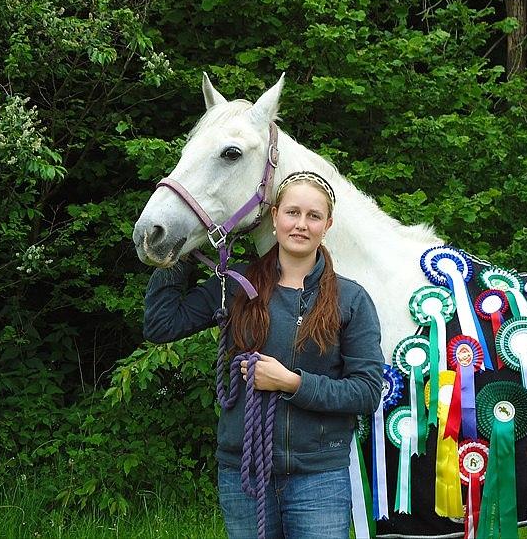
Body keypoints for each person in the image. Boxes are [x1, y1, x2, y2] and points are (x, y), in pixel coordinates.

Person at [143, 171, 384, 539]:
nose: (301, 225)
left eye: (313, 216)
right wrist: (183, 249)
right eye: (292, 213)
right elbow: (162, 324)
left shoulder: (350, 299)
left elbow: (367, 392)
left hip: (319, 478)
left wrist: (292, 382)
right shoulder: (237, 285)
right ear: (275, 217)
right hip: (244, 474)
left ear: (327, 225)